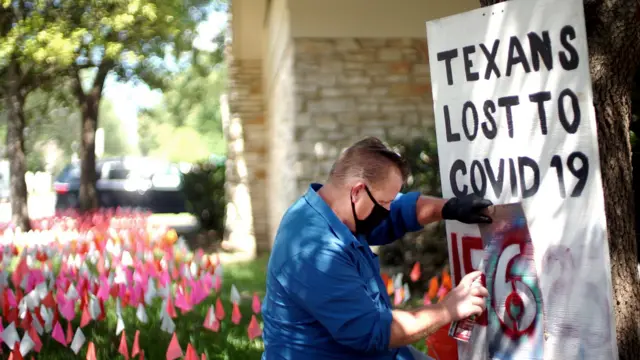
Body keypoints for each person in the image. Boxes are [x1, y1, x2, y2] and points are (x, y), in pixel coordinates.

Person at [261, 137, 492, 360]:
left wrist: (449, 208)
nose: (389, 209)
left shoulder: (334, 210)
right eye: (384, 203)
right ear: (357, 191)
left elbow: (401, 211)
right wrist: (447, 309)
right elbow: (371, 331)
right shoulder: (314, 252)